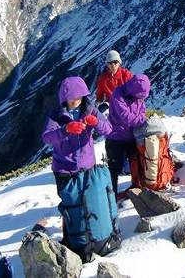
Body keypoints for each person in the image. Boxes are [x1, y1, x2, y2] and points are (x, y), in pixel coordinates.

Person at [42, 76, 112, 236]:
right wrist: (65, 130)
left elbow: (108, 129)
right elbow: (47, 137)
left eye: (79, 97)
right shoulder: (57, 116)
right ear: (64, 98)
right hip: (64, 170)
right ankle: (72, 236)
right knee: (71, 205)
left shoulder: (91, 110)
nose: (75, 101)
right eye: (71, 98)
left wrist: (96, 122)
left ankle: (90, 235)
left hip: (87, 167)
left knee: (89, 202)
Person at [106, 74, 151, 197]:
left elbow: (142, 112)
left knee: (136, 163)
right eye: (139, 97)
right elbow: (127, 118)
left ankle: (137, 188)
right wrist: (141, 119)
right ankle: (111, 196)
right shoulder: (117, 95)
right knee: (114, 169)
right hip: (115, 137)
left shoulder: (138, 95)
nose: (140, 99)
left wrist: (140, 117)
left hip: (131, 137)